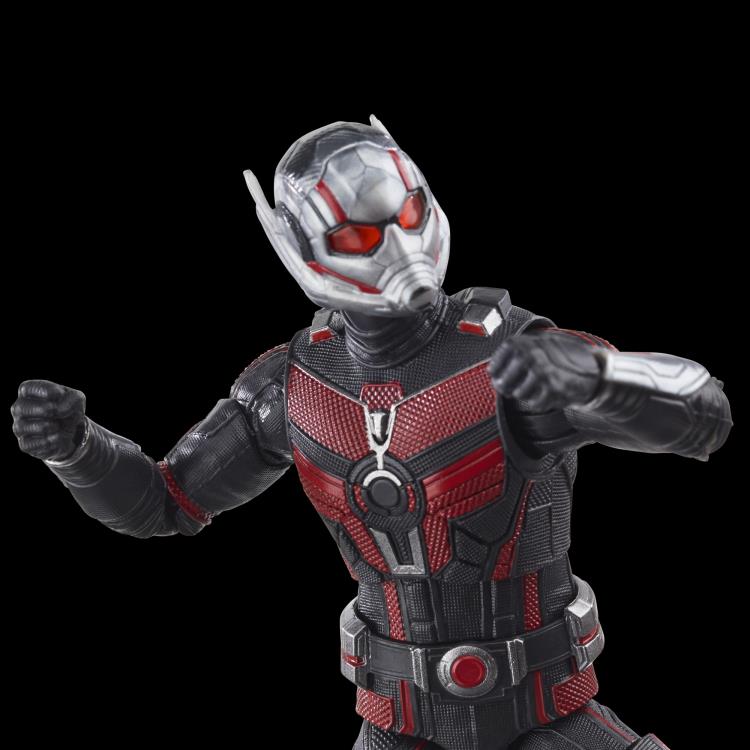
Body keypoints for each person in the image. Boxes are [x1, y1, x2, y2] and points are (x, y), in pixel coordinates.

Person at [11, 117, 731, 750]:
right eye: (358, 234)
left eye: (406, 215)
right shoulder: (294, 384)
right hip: (396, 726)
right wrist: (78, 451)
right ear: (298, 244)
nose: (396, 248)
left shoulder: (509, 354)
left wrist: (603, 381)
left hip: (544, 718)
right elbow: (164, 503)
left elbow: (702, 417)